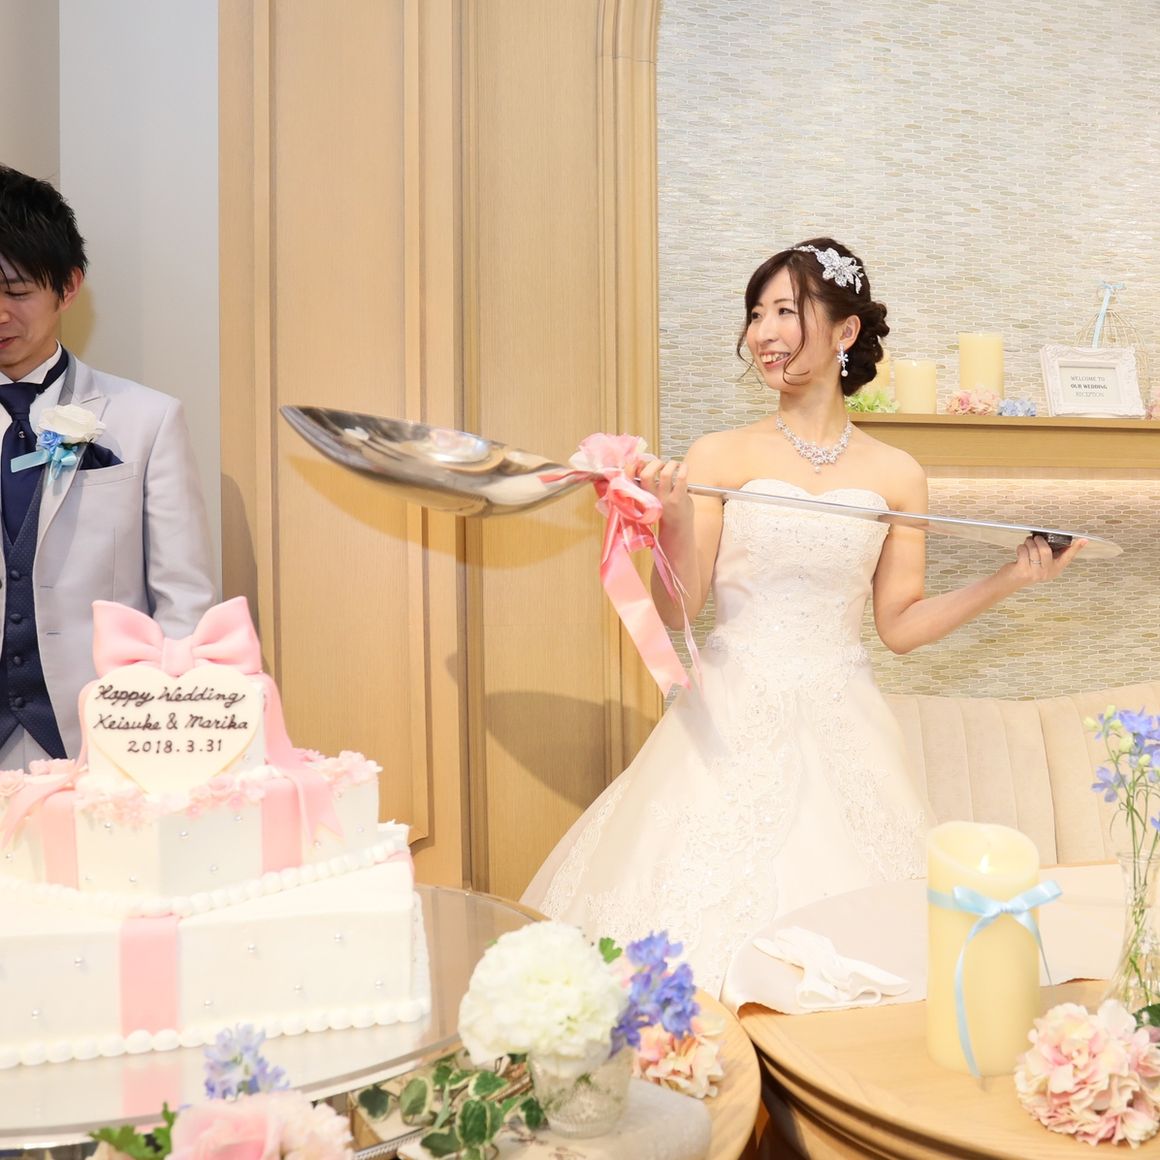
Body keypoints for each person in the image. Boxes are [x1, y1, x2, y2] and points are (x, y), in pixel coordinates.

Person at [521, 238, 1083, 993]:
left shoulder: (898, 473)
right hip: (728, 717)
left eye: (786, 311)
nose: (764, 333)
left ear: (845, 331)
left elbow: (900, 626)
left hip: (843, 715)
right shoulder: (719, 456)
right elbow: (677, 609)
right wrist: (673, 520)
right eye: (756, 314)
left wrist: (1010, 578)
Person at [0, 164, 216, 764]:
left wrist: (167, 736)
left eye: (17, 292)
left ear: (68, 287)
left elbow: (183, 599)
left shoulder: (148, 419)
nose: (0, 314)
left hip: (104, 734)